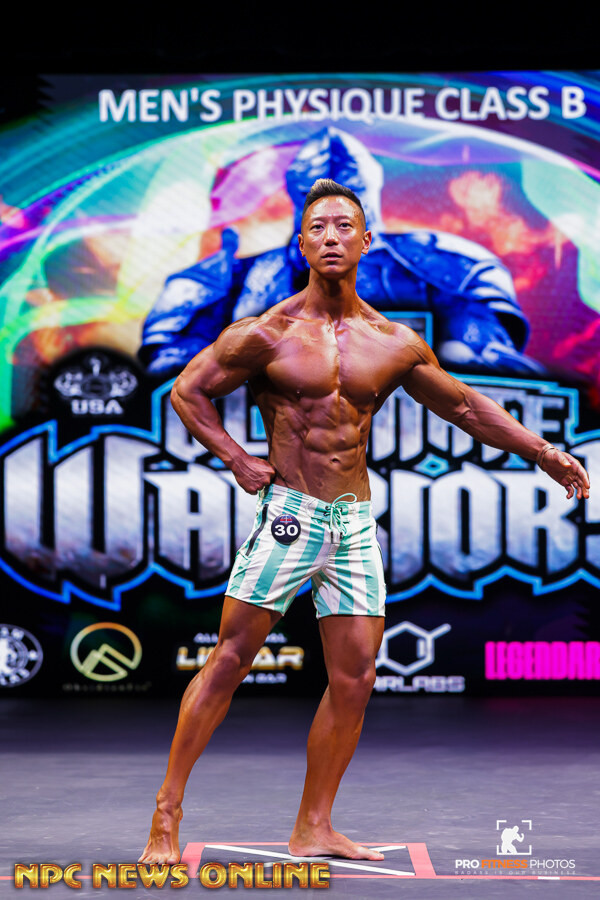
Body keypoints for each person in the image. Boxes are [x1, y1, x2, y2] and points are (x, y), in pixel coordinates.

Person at [139, 178, 590, 865]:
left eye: (344, 226)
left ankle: (314, 826)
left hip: (352, 523)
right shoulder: (265, 333)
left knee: (356, 678)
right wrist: (236, 458)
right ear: (301, 244)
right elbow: (187, 390)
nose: (331, 237)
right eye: (318, 227)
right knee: (230, 659)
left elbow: (464, 407)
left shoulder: (392, 340)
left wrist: (544, 452)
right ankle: (166, 813)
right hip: (289, 517)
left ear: (366, 239)